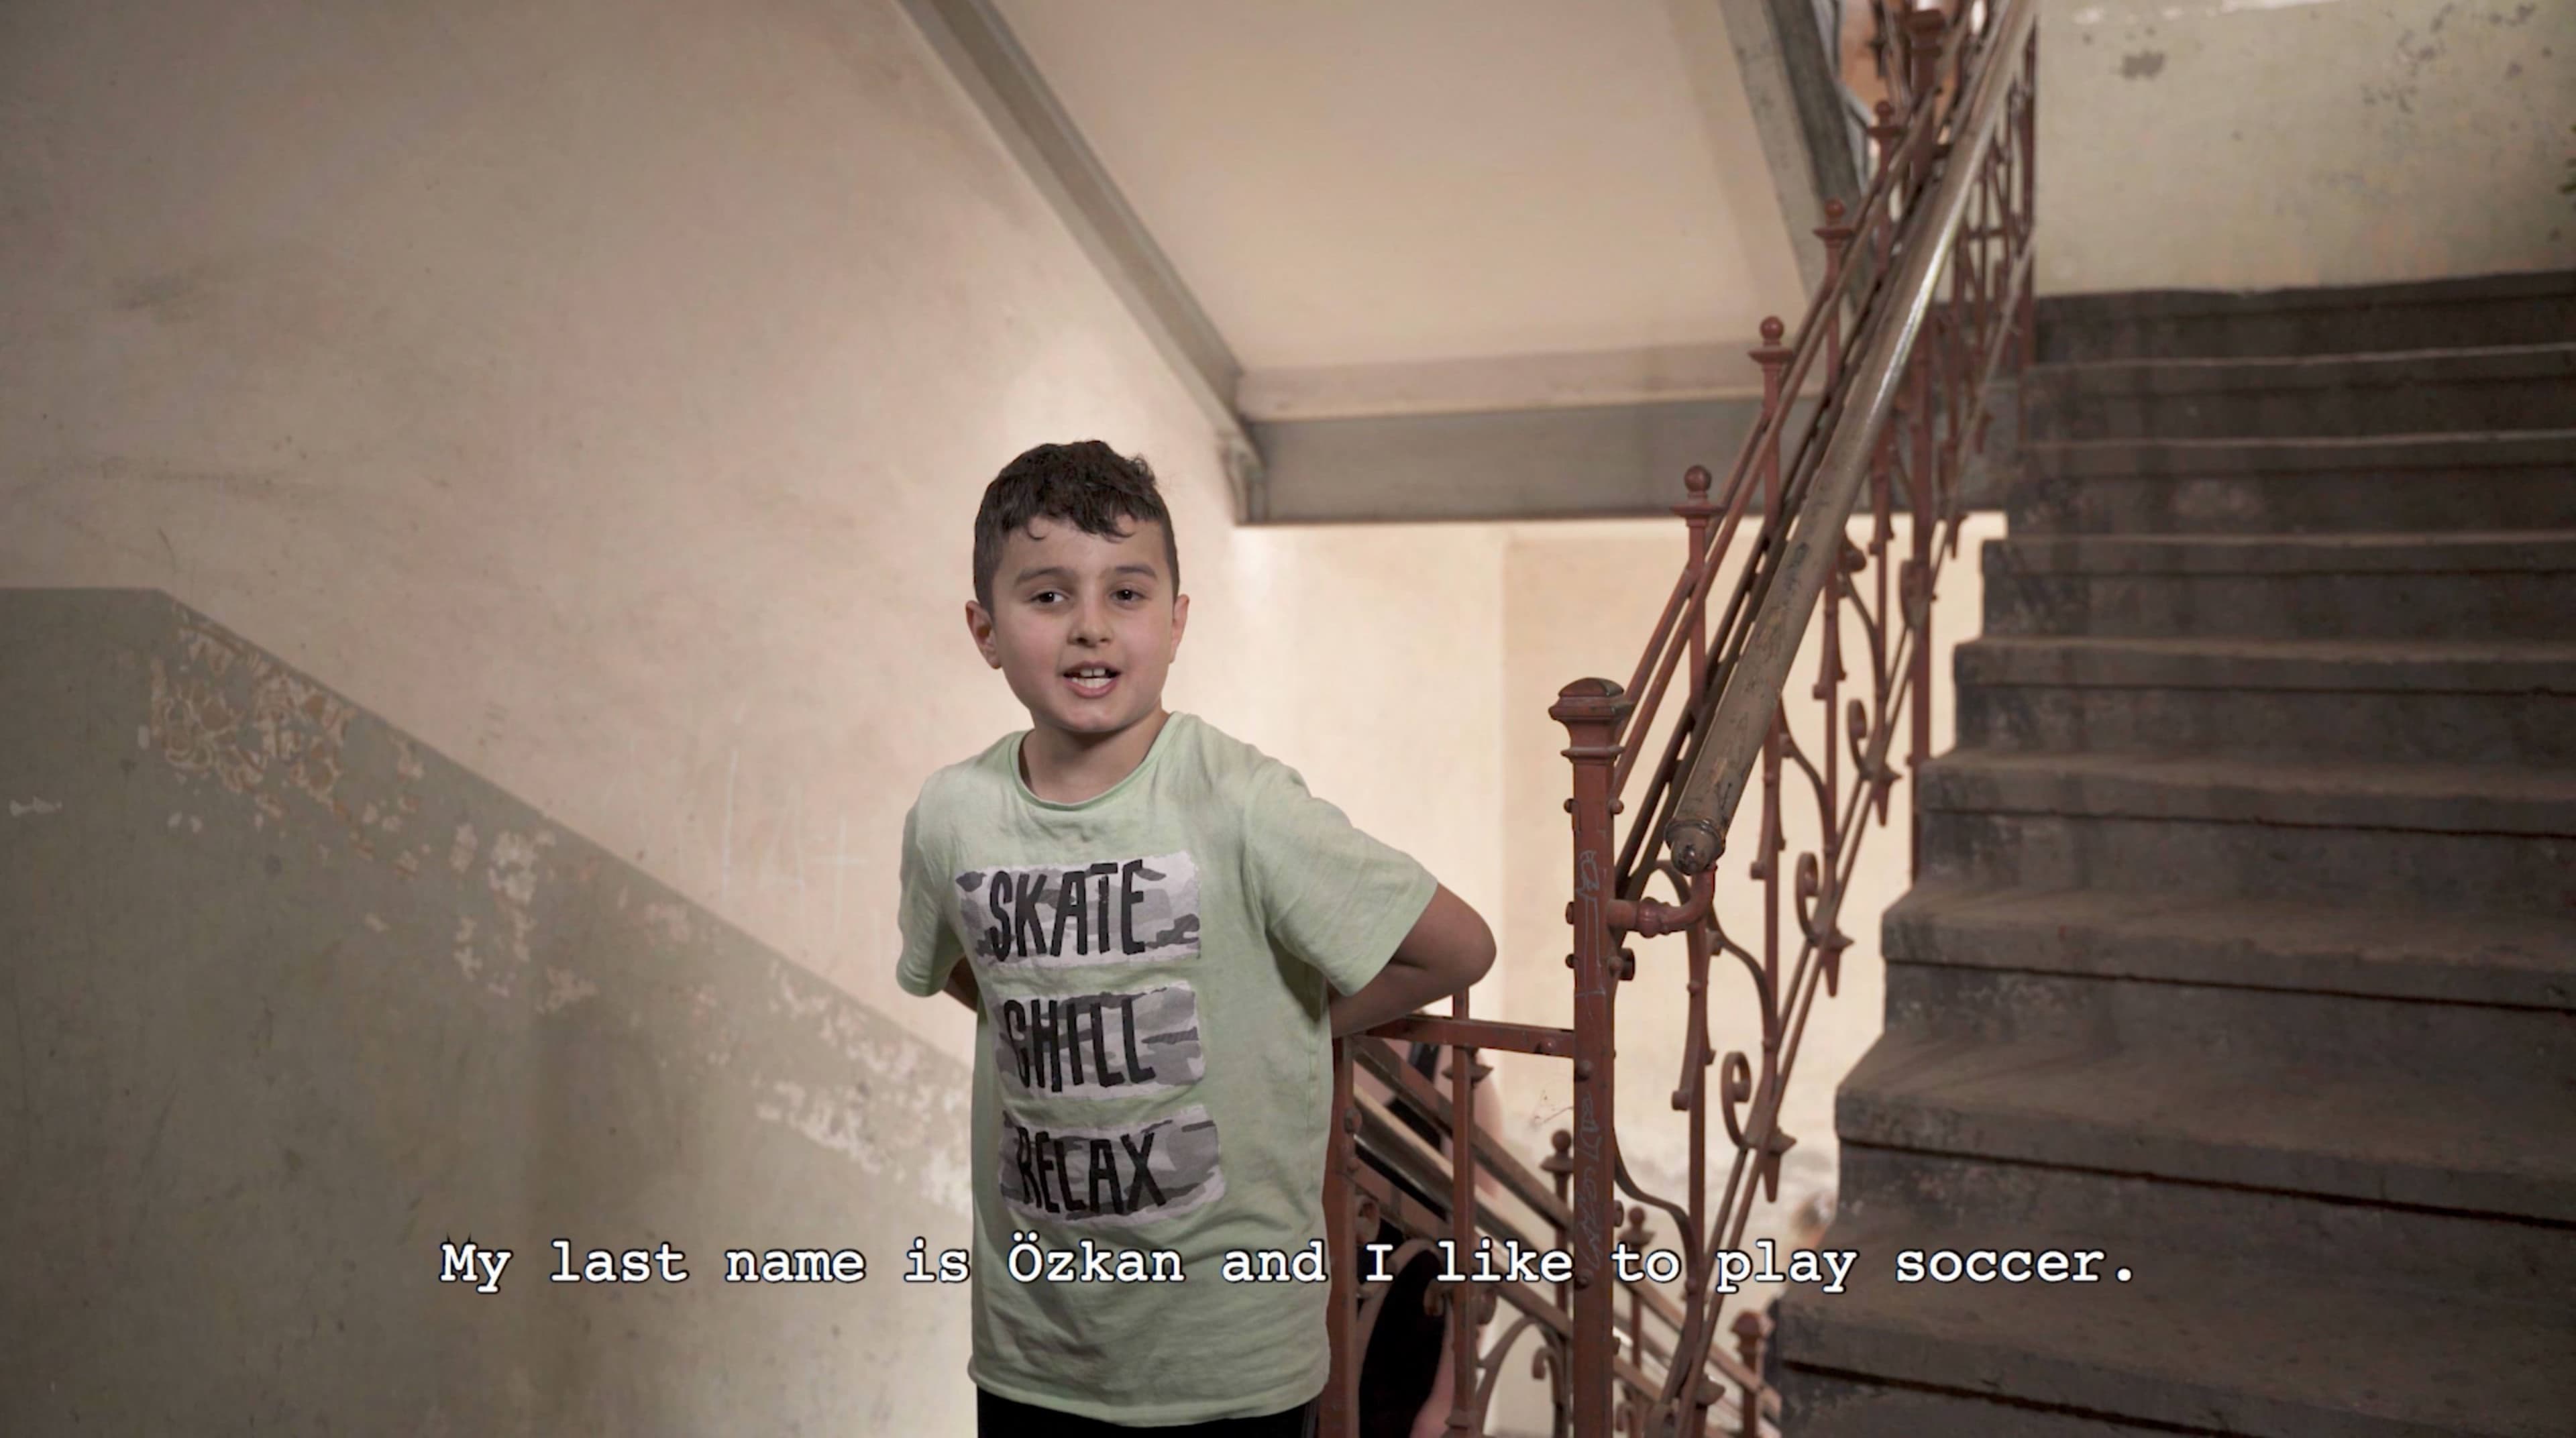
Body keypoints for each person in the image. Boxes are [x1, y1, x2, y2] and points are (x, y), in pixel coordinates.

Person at [896, 441, 1499, 1435]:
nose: (1091, 626)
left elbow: (1456, 950)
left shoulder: (1242, 804)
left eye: (1127, 593)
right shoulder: (952, 816)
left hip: (1233, 1357)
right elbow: (976, 970)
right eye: (1047, 597)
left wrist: (1282, 1022)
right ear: (984, 629)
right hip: (1033, 1350)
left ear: (1177, 621)